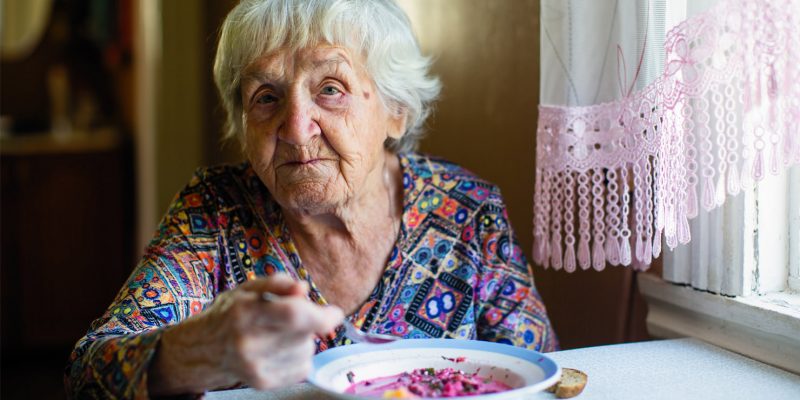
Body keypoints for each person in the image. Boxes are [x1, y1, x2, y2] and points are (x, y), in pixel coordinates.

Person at [65, 0, 559, 398]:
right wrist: (194, 353)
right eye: (266, 97)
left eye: (329, 88)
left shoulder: (469, 210)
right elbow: (87, 375)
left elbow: (547, 376)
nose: (297, 130)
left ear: (396, 111)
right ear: (243, 125)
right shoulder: (213, 212)